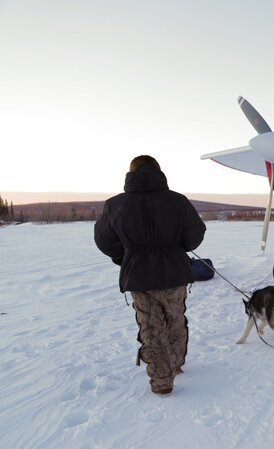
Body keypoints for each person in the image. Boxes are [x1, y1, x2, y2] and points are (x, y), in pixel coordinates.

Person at [94, 155, 206, 395]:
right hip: (175, 273)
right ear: (159, 172)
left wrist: (125, 257)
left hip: (140, 276)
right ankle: (174, 365)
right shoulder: (178, 201)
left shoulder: (115, 205)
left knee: (151, 327)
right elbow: (194, 236)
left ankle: (162, 380)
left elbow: (104, 240)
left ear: (130, 173)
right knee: (176, 319)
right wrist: (175, 248)